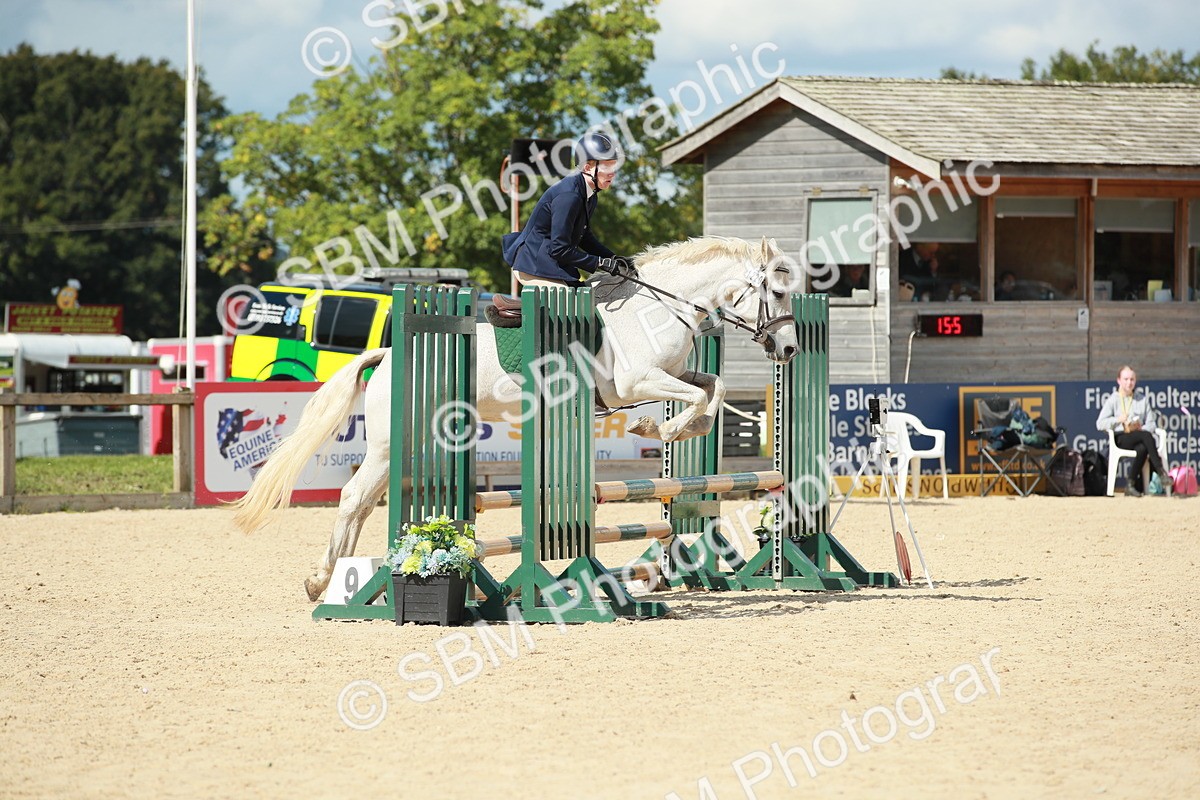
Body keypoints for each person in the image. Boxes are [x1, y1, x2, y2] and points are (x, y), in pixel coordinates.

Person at [502, 131, 634, 288]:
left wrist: (613, 258)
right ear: (587, 167)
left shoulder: (590, 195)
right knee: (572, 301)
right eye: (607, 166)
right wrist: (599, 262)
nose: (613, 173)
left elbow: (584, 237)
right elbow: (559, 249)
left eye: (614, 166)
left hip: (553, 264)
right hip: (533, 265)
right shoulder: (569, 196)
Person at [1095, 365, 1170, 497]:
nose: (1129, 383)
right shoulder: (1113, 400)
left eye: (1132, 379)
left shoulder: (1142, 399)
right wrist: (1118, 420)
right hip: (1121, 437)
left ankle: (1130, 484)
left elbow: (1152, 424)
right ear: (1119, 380)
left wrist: (1140, 428)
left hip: (1139, 436)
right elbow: (1100, 423)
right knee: (1146, 437)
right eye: (1126, 379)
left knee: (1143, 447)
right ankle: (1161, 472)